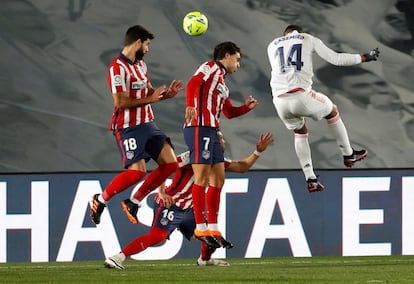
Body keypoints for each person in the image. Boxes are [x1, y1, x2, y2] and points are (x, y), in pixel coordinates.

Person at [103, 132, 274, 269]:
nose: (221, 141)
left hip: (190, 209)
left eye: (221, 138)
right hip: (171, 203)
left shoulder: (218, 162)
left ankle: (204, 260)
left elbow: (242, 167)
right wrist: (162, 193)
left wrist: (257, 151)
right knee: (157, 236)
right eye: (219, 138)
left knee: (210, 236)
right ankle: (118, 257)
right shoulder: (190, 157)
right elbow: (164, 168)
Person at [267, 24, 379, 192]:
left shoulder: (272, 45)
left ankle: (310, 178)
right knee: (332, 111)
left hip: (280, 101)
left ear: (284, 34)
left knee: (300, 132)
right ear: (300, 32)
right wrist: (363, 57)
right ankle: (348, 154)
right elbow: (336, 58)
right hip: (301, 96)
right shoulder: (307, 39)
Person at [90, 25, 183, 225]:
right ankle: (101, 199)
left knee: (171, 164)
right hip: (128, 127)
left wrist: (167, 96)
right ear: (138, 42)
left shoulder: (141, 66)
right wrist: (152, 100)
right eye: (147, 45)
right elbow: (120, 102)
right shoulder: (117, 67)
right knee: (137, 172)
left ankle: (134, 201)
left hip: (147, 123)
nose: (148, 50)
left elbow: (150, 92)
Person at [183, 41, 258, 248]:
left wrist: (246, 108)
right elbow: (192, 83)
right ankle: (200, 227)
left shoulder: (223, 85)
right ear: (226, 55)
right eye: (237, 59)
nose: (238, 65)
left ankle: (213, 228)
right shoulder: (210, 67)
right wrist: (190, 103)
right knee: (202, 177)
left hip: (213, 130)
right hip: (199, 126)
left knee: (218, 179)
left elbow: (228, 113)